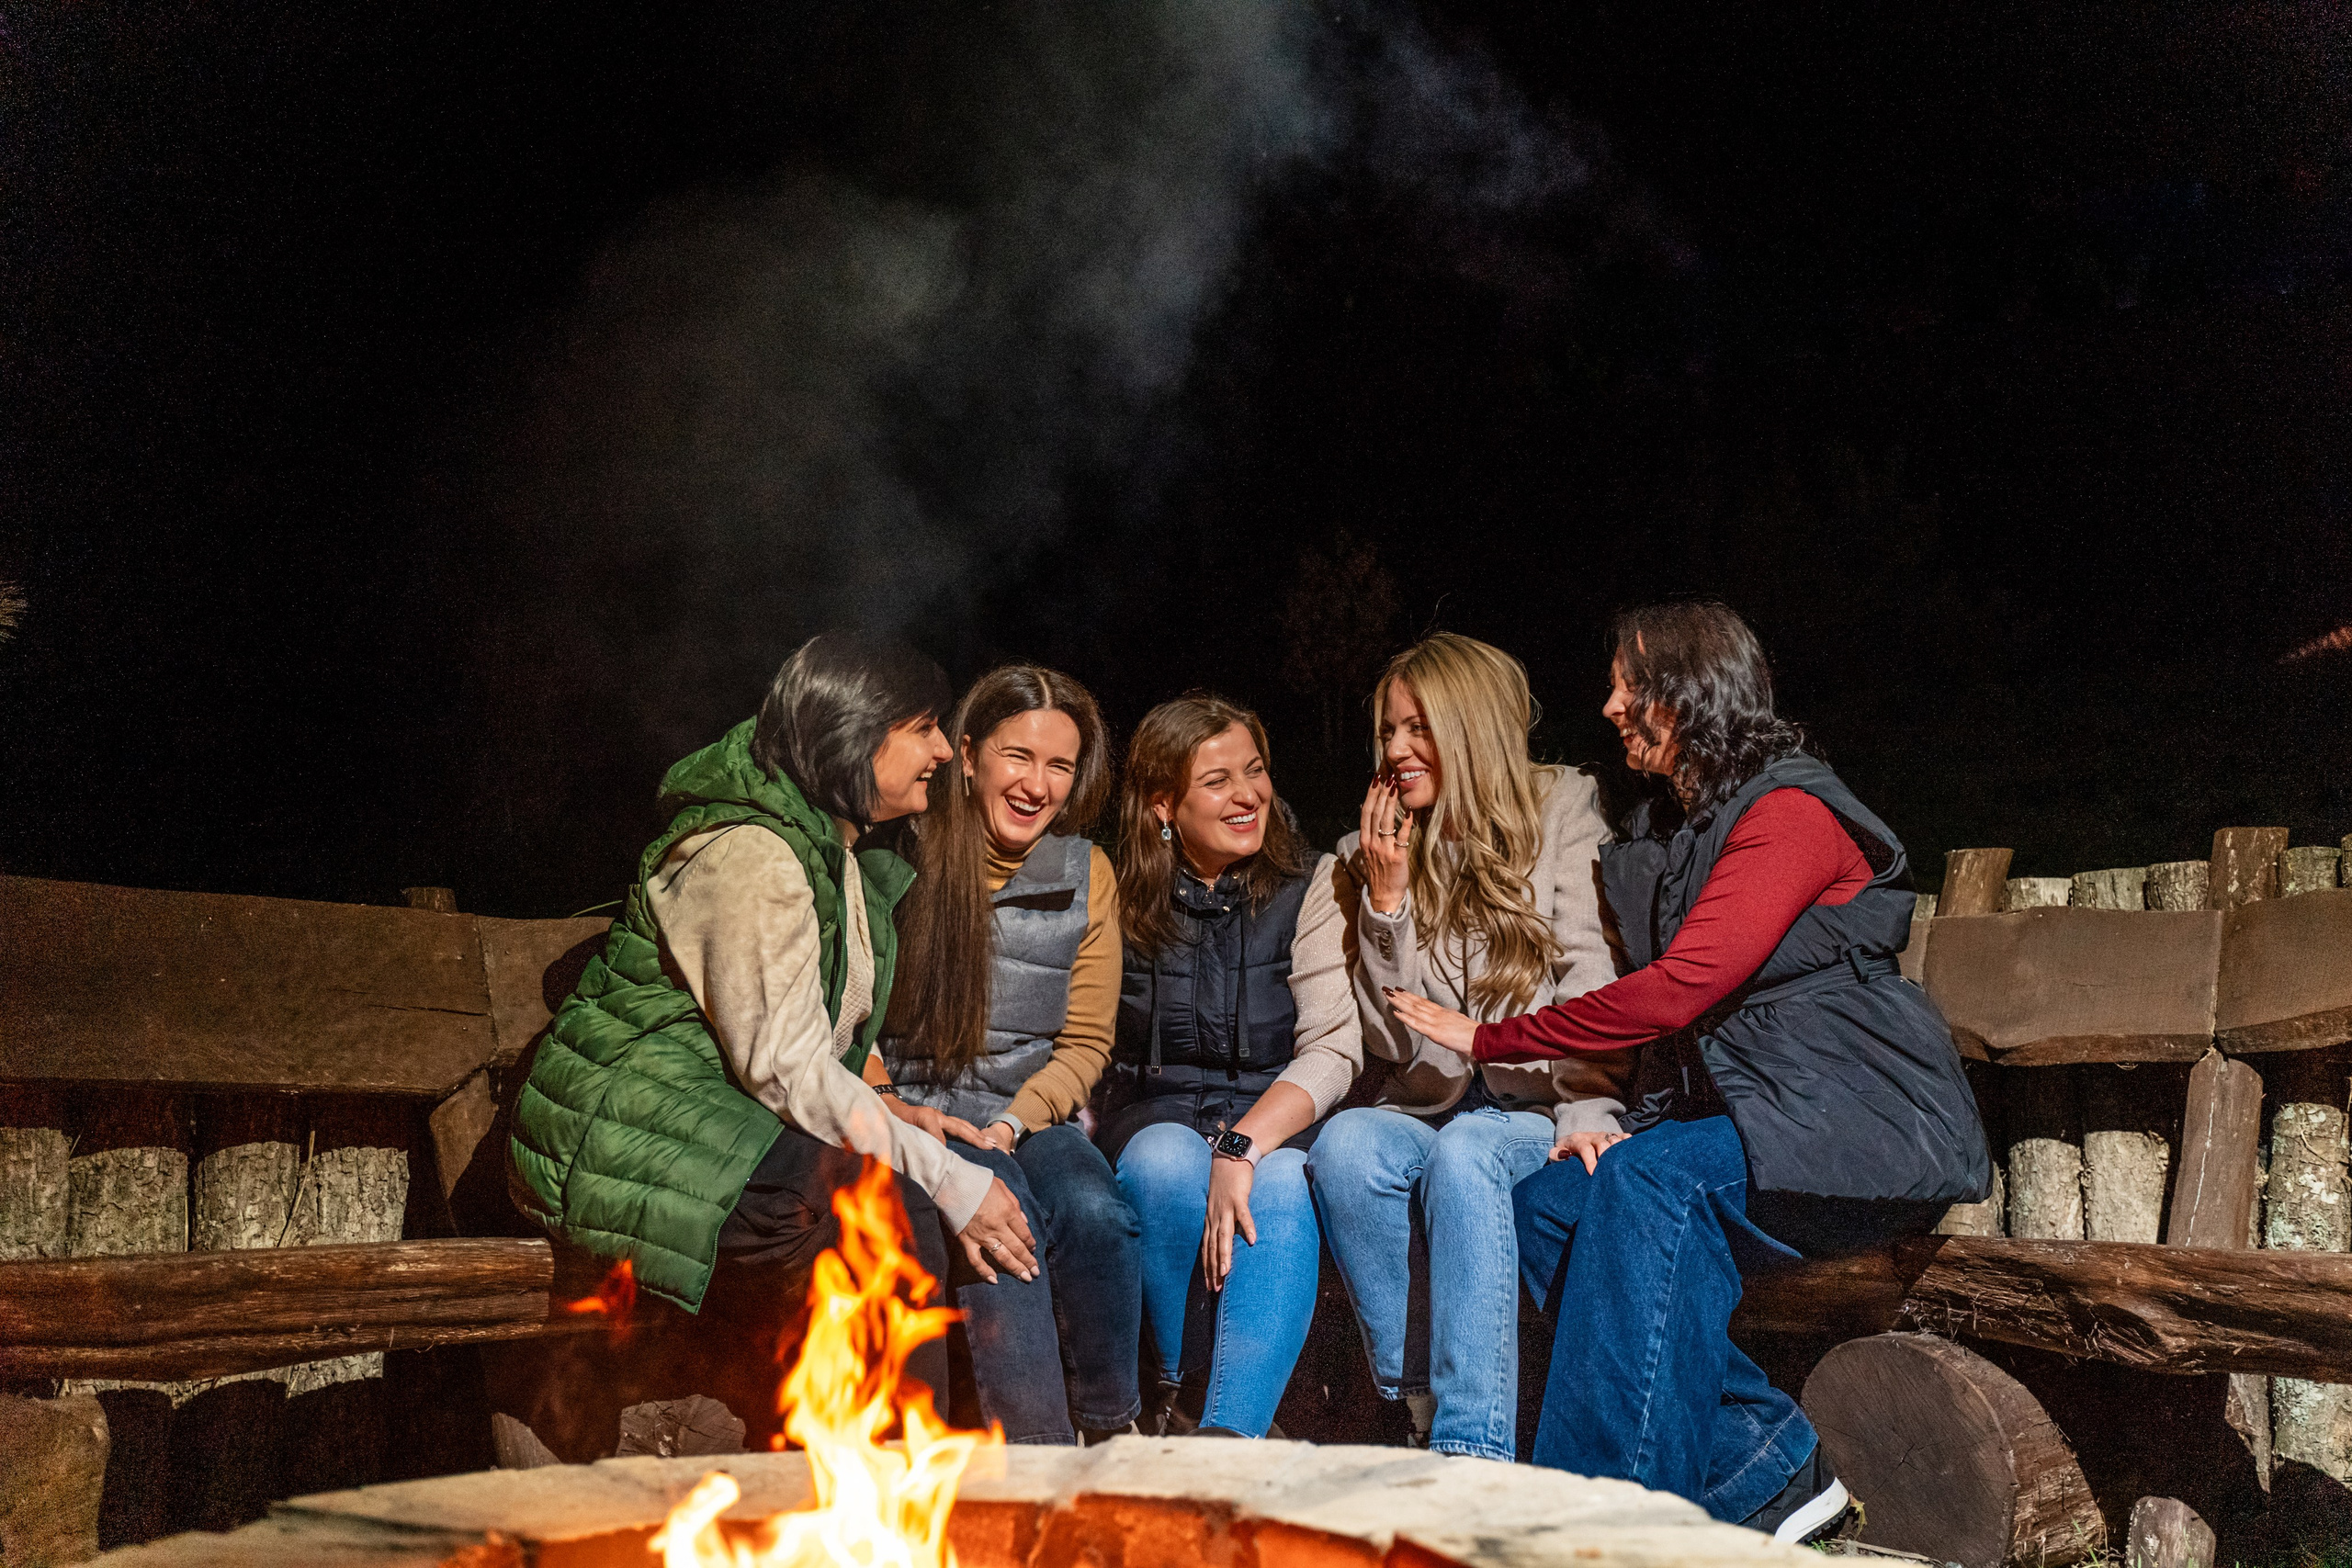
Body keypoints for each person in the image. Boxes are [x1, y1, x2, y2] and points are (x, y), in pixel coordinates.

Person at [1384, 602, 1990, 1540]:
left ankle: (1605, 1527)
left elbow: (1679, 991)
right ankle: (1766, 1469)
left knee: (1647, 1181)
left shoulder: (1788, 814)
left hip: (1859, 1127)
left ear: (1687, 692)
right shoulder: (1685, 829)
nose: (1610, 703)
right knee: (1549, 1206)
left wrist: (1489, 1038)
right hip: (1764, 1126)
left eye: (1629, 683)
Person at [510, 633, 1065, 1440]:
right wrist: (940, 1175)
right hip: (621, 1134)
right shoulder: (751, 852)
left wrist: (904, 1124)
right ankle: (898, 1500)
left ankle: (1006, 1471)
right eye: (923, 728)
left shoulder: (830, 845)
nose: (945, 749)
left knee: (955, 1180)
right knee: (883, 1209)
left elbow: (803, 1049)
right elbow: (786, 1070)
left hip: (718, 1121)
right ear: (854, 730)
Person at [1306, 632, 1628, 1459]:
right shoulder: (1371, 853)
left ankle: (1471, 1451)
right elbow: (1391, 1037)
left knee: (1472, 1153)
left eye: (1419, 727)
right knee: (1346, 1144)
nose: (1398, 749)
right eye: (1387, 730)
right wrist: (1387, 903)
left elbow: (1589, 967)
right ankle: (1416, 1403)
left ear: (1471, 725)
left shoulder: (1560, 808)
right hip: (1435, 1099)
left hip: (1538, 1102)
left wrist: (1589, 1101)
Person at [881, 664, 1141, 1441]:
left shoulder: (1086, 872)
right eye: (1017, 756)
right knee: (1005, 1220)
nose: (1038, 782)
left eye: (1059, 764)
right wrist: (901, 1111)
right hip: (919, 1112)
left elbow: (1088, 1040)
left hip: (1028, 1113)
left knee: (1099, 1213)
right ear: (967, 755)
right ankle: (1037, 1465)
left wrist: (1018, 1122)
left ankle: (1111, 1427)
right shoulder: (902, 854)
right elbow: (849, 1018)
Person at [1095, 694, 1362, 1439]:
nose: (1249, 795)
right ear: (1163, 805)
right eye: (1218, 781)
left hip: (1274, 1116)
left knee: (1277, 1183)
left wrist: (1243, 1143)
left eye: (1256, 771)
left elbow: (1334, 1045)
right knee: (1160, 1163)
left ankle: (1226, 1436)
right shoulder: (1120, 894)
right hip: (1158, 1114)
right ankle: (1179, 1393)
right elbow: (1083, 1036)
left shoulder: (1315, 883)